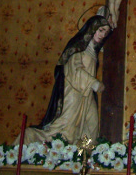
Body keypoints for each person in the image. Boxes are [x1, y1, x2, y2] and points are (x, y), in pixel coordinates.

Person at [21, 15, 111, 146]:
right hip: (73, 93)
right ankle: (30, 138)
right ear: (92, 29)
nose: (103, 35)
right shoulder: (78, 47)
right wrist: (94, 83)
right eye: (101, 30)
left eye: (106, 32)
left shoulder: (93, 50)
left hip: (87, 94)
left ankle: (82, 154)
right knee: (65, 131)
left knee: (92, 127)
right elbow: (74, 69)